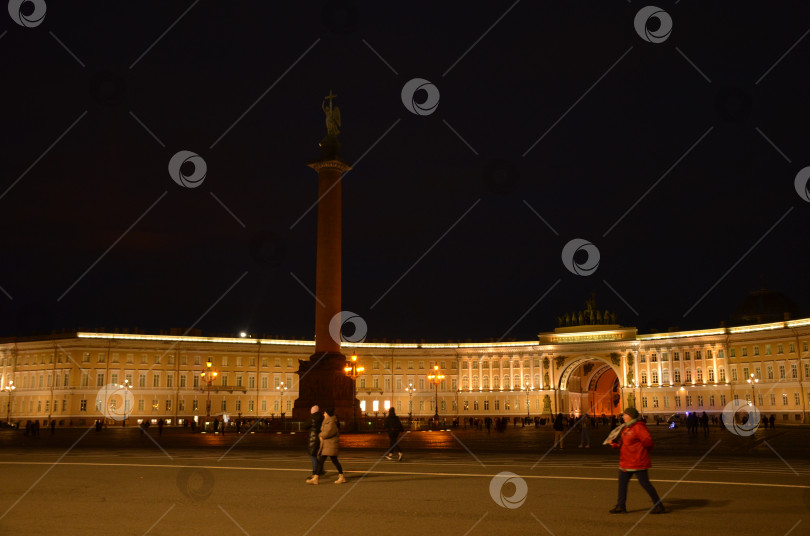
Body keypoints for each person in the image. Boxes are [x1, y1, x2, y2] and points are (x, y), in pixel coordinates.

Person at [608, 407, 665, 514]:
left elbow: (648, 442)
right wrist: (614, 444)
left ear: (631, 416)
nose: (623, 416)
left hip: (638, 462)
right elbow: (624, 443)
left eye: (625, 415)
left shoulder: (638, 427)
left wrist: (641, 452)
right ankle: (621, 505)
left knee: (645, 483)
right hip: (626, 462)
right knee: (622, 483)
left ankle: (659, 505)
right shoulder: (626, 428)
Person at [307, 408, 346, 485]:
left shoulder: (331, 422)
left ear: (328, 414)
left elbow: (328, 433)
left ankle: (342, 477)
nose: (324, 414)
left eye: (325, 413)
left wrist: (320, 435)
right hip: (327, 445)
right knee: (322, 461)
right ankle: (316, 478)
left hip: (331, 445)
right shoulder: (328, 421)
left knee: (334, 461)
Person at [302, 405, 324, 480]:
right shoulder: (322, 417)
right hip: (320, 438)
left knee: (313, 456)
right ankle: (320, 470)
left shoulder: (312, 418)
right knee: (317, 455)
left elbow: (304, 426)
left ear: (312, 411)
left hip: (313, 439)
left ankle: (315, 473)